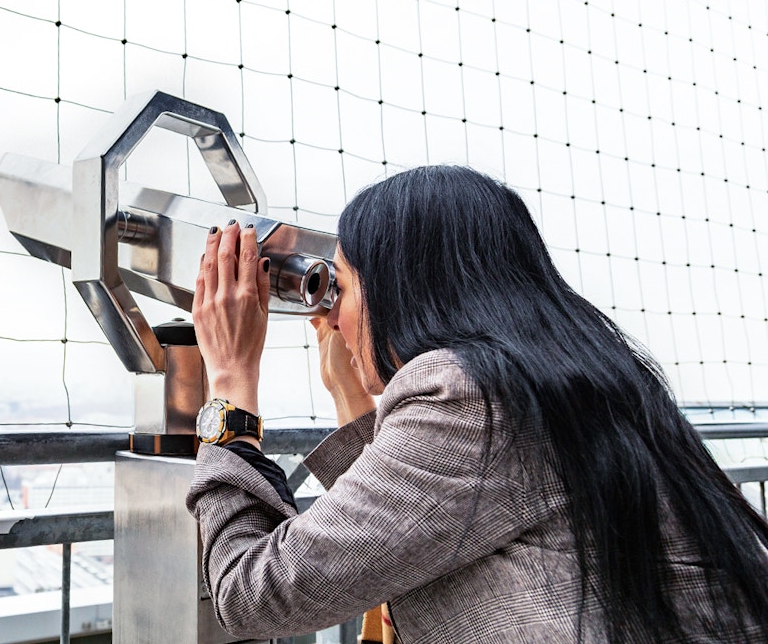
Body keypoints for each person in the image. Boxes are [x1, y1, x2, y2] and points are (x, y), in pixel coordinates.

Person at [185, 165, 768, 643]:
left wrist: (231, 381)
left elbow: (252, 592)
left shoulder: (466, 395)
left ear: (401, 286)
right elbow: (399, 536)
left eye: (341, 285)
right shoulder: (572, 381)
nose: (331, 311)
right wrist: (350, 394)